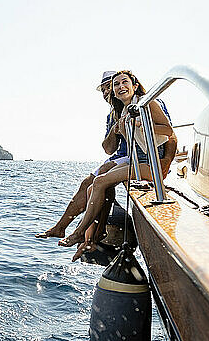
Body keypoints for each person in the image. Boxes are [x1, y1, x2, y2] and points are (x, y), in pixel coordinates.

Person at [59, 70, 176, 248]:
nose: (120, 87)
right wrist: (119, 129)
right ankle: (88, 236)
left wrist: (144, 125)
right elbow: (113, 148)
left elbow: (169, 131)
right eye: (116, 85)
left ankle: (79, 233)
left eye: (124, 82)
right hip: (138, 162)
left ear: (134, 85)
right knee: (96, 183)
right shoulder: (121, 113)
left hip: (151, 163)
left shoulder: (147, 103)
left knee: (100, 182)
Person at [35, 71, 125, 240]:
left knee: (98, 182)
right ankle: (63, 228)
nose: (106, 93)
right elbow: (108, 149)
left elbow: (168, 136)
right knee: (89, 184)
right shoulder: (111, 115)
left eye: (109, 88)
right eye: (104, 90)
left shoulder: (137, 106)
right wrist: (114, 130)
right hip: (118, 156)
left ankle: (85, 233)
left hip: (131, 157)